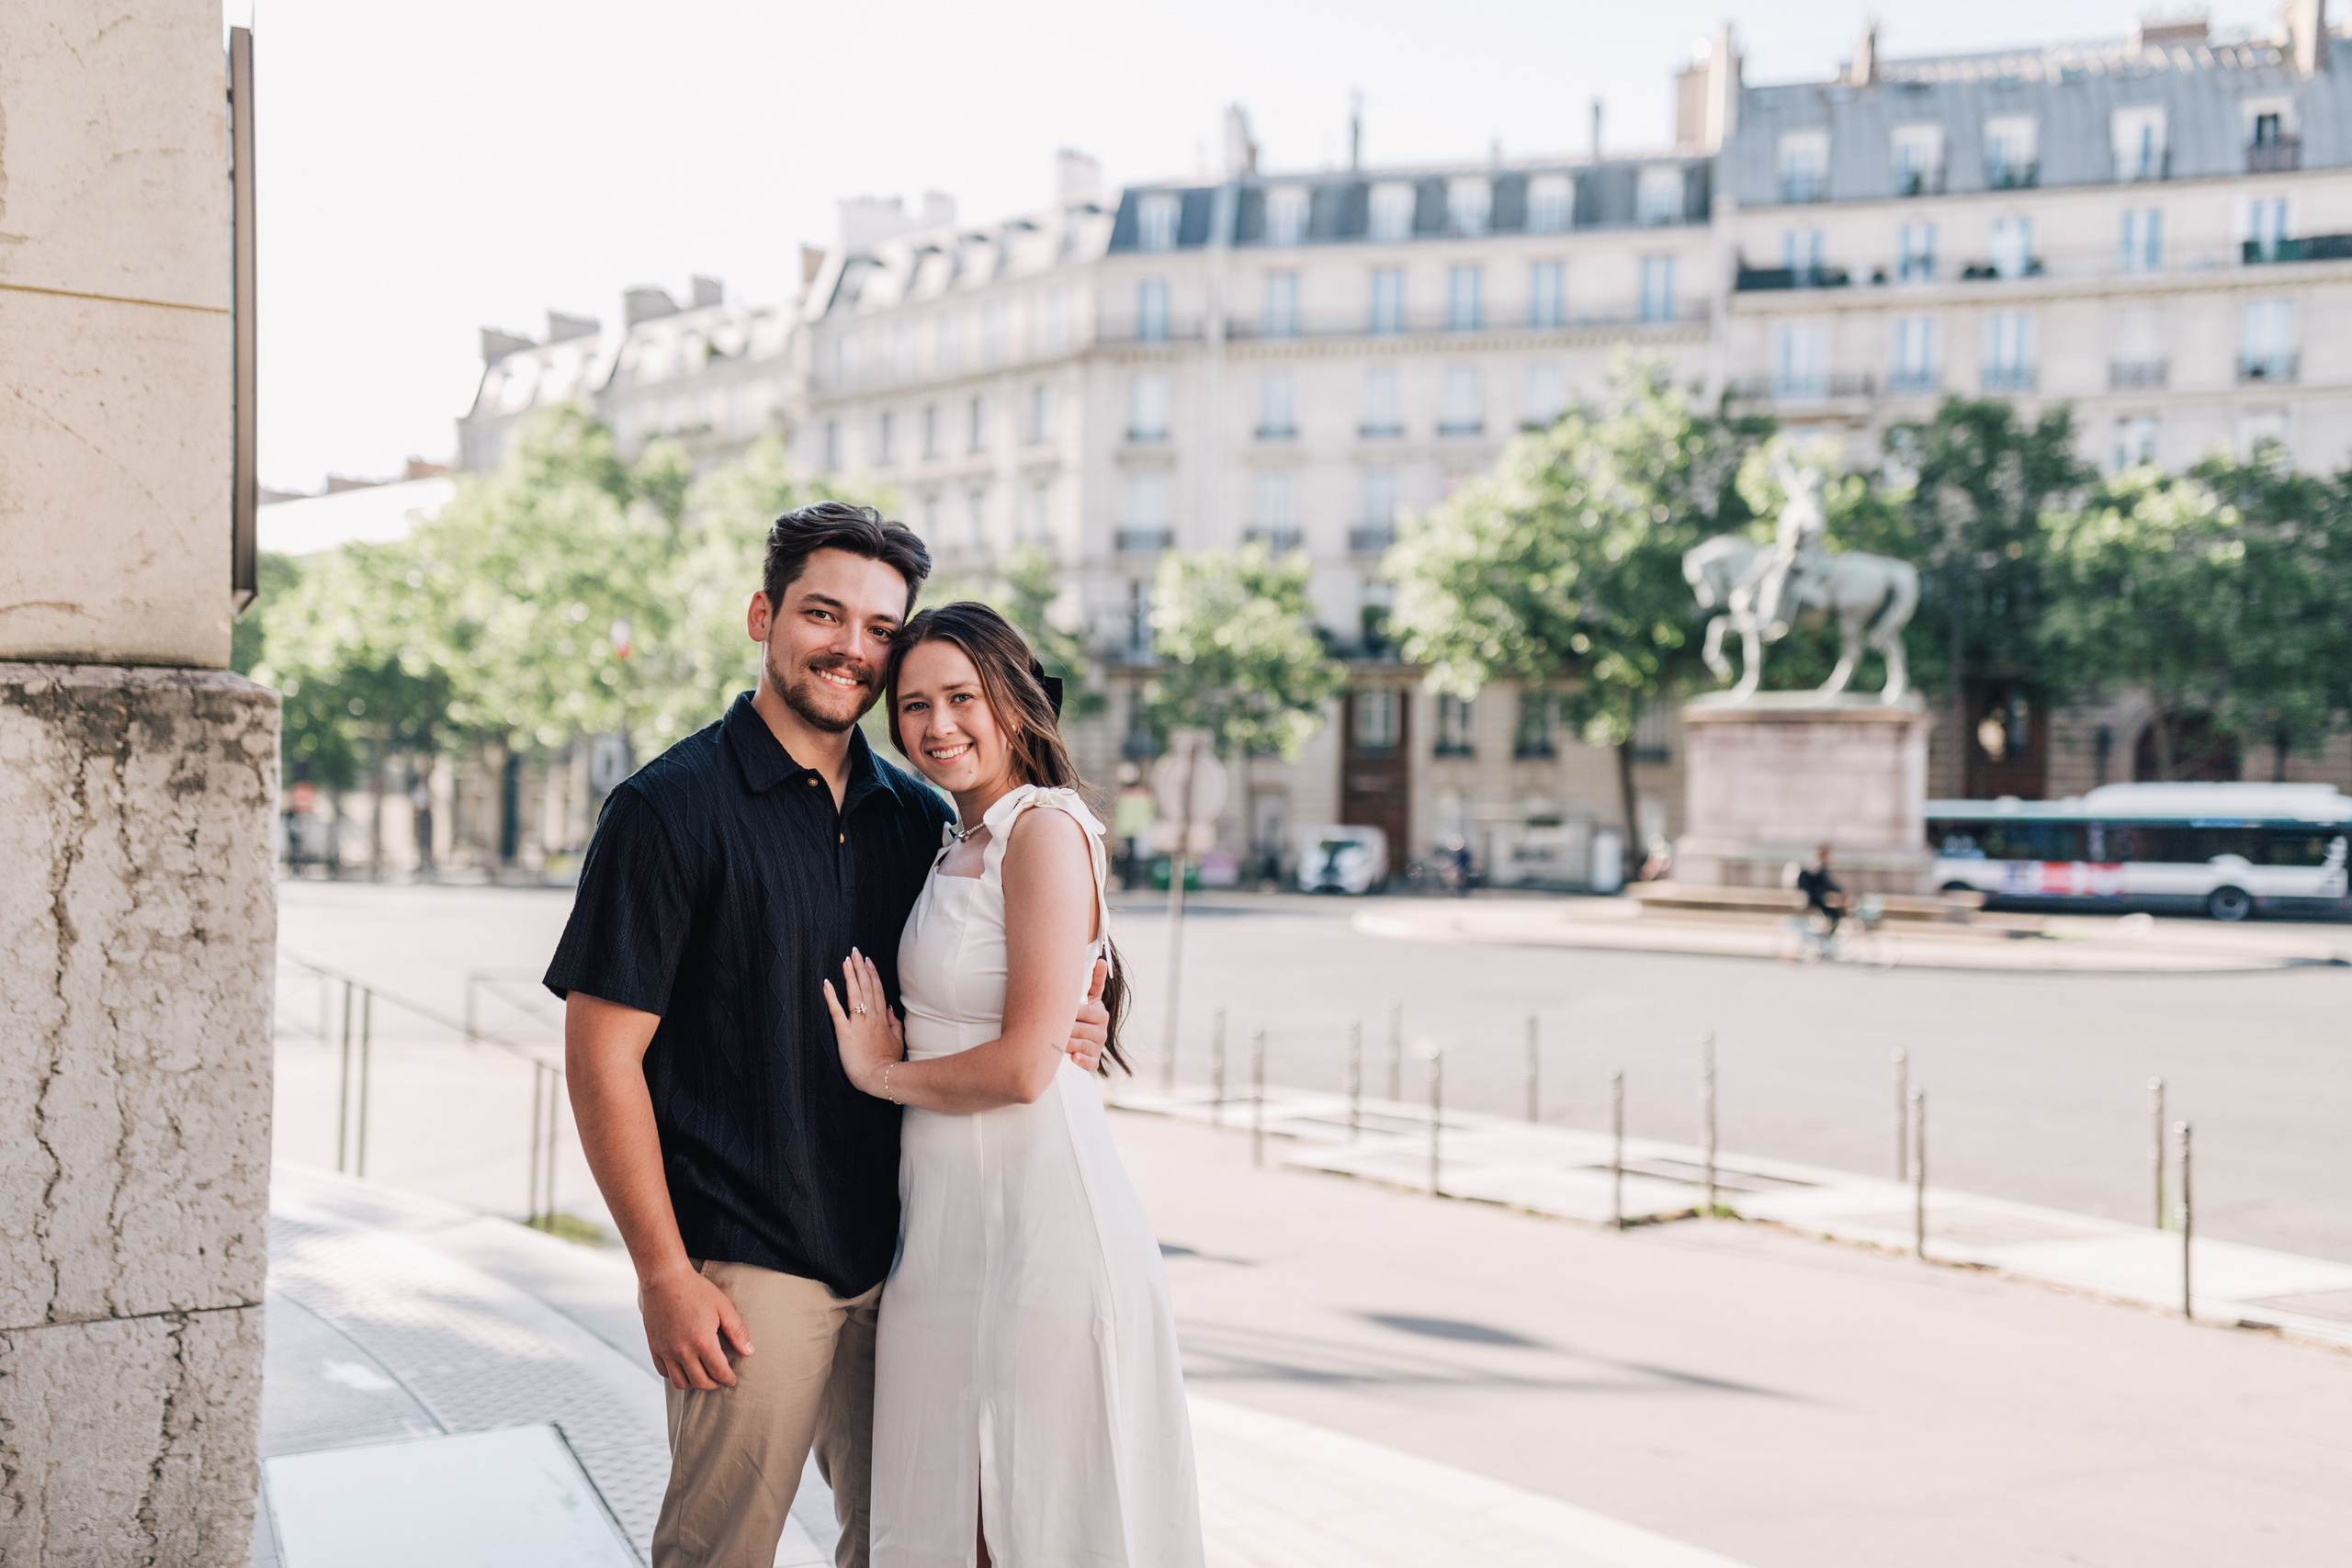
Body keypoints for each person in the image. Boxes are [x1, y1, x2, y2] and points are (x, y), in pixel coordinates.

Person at [546, 503, 1110, 1568]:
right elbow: (600, 1058)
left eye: (879, 628)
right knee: (721, 1555)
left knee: (908, 1546)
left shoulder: (921, 817)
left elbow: (1001, 965)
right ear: (765, 616)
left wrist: (1076, 1016)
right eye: (822, 613)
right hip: (751, 1266)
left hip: (909, 1256)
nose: (852, 647)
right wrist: (662, 1271)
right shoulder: (666, 810)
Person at [826, 602, 1204, 1568]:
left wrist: (878, 1071)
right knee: (955, 1526)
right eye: (913, 706)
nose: (937, 725)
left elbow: (1028, 1067)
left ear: (1016, 697)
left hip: (1043, 1230)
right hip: (944, 1235)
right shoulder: (954, 841)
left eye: (962, 697)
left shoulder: (1043, 830)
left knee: (1041, 1521)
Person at [1796, 842, 1844, 936]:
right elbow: (1827, 884)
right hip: (1814, 898)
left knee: (1835, 913)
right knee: (1835, 914)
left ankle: (1828, 934)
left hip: (1816, 897)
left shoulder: (1815, 867)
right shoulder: (1816, 868)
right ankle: (1827, 936)